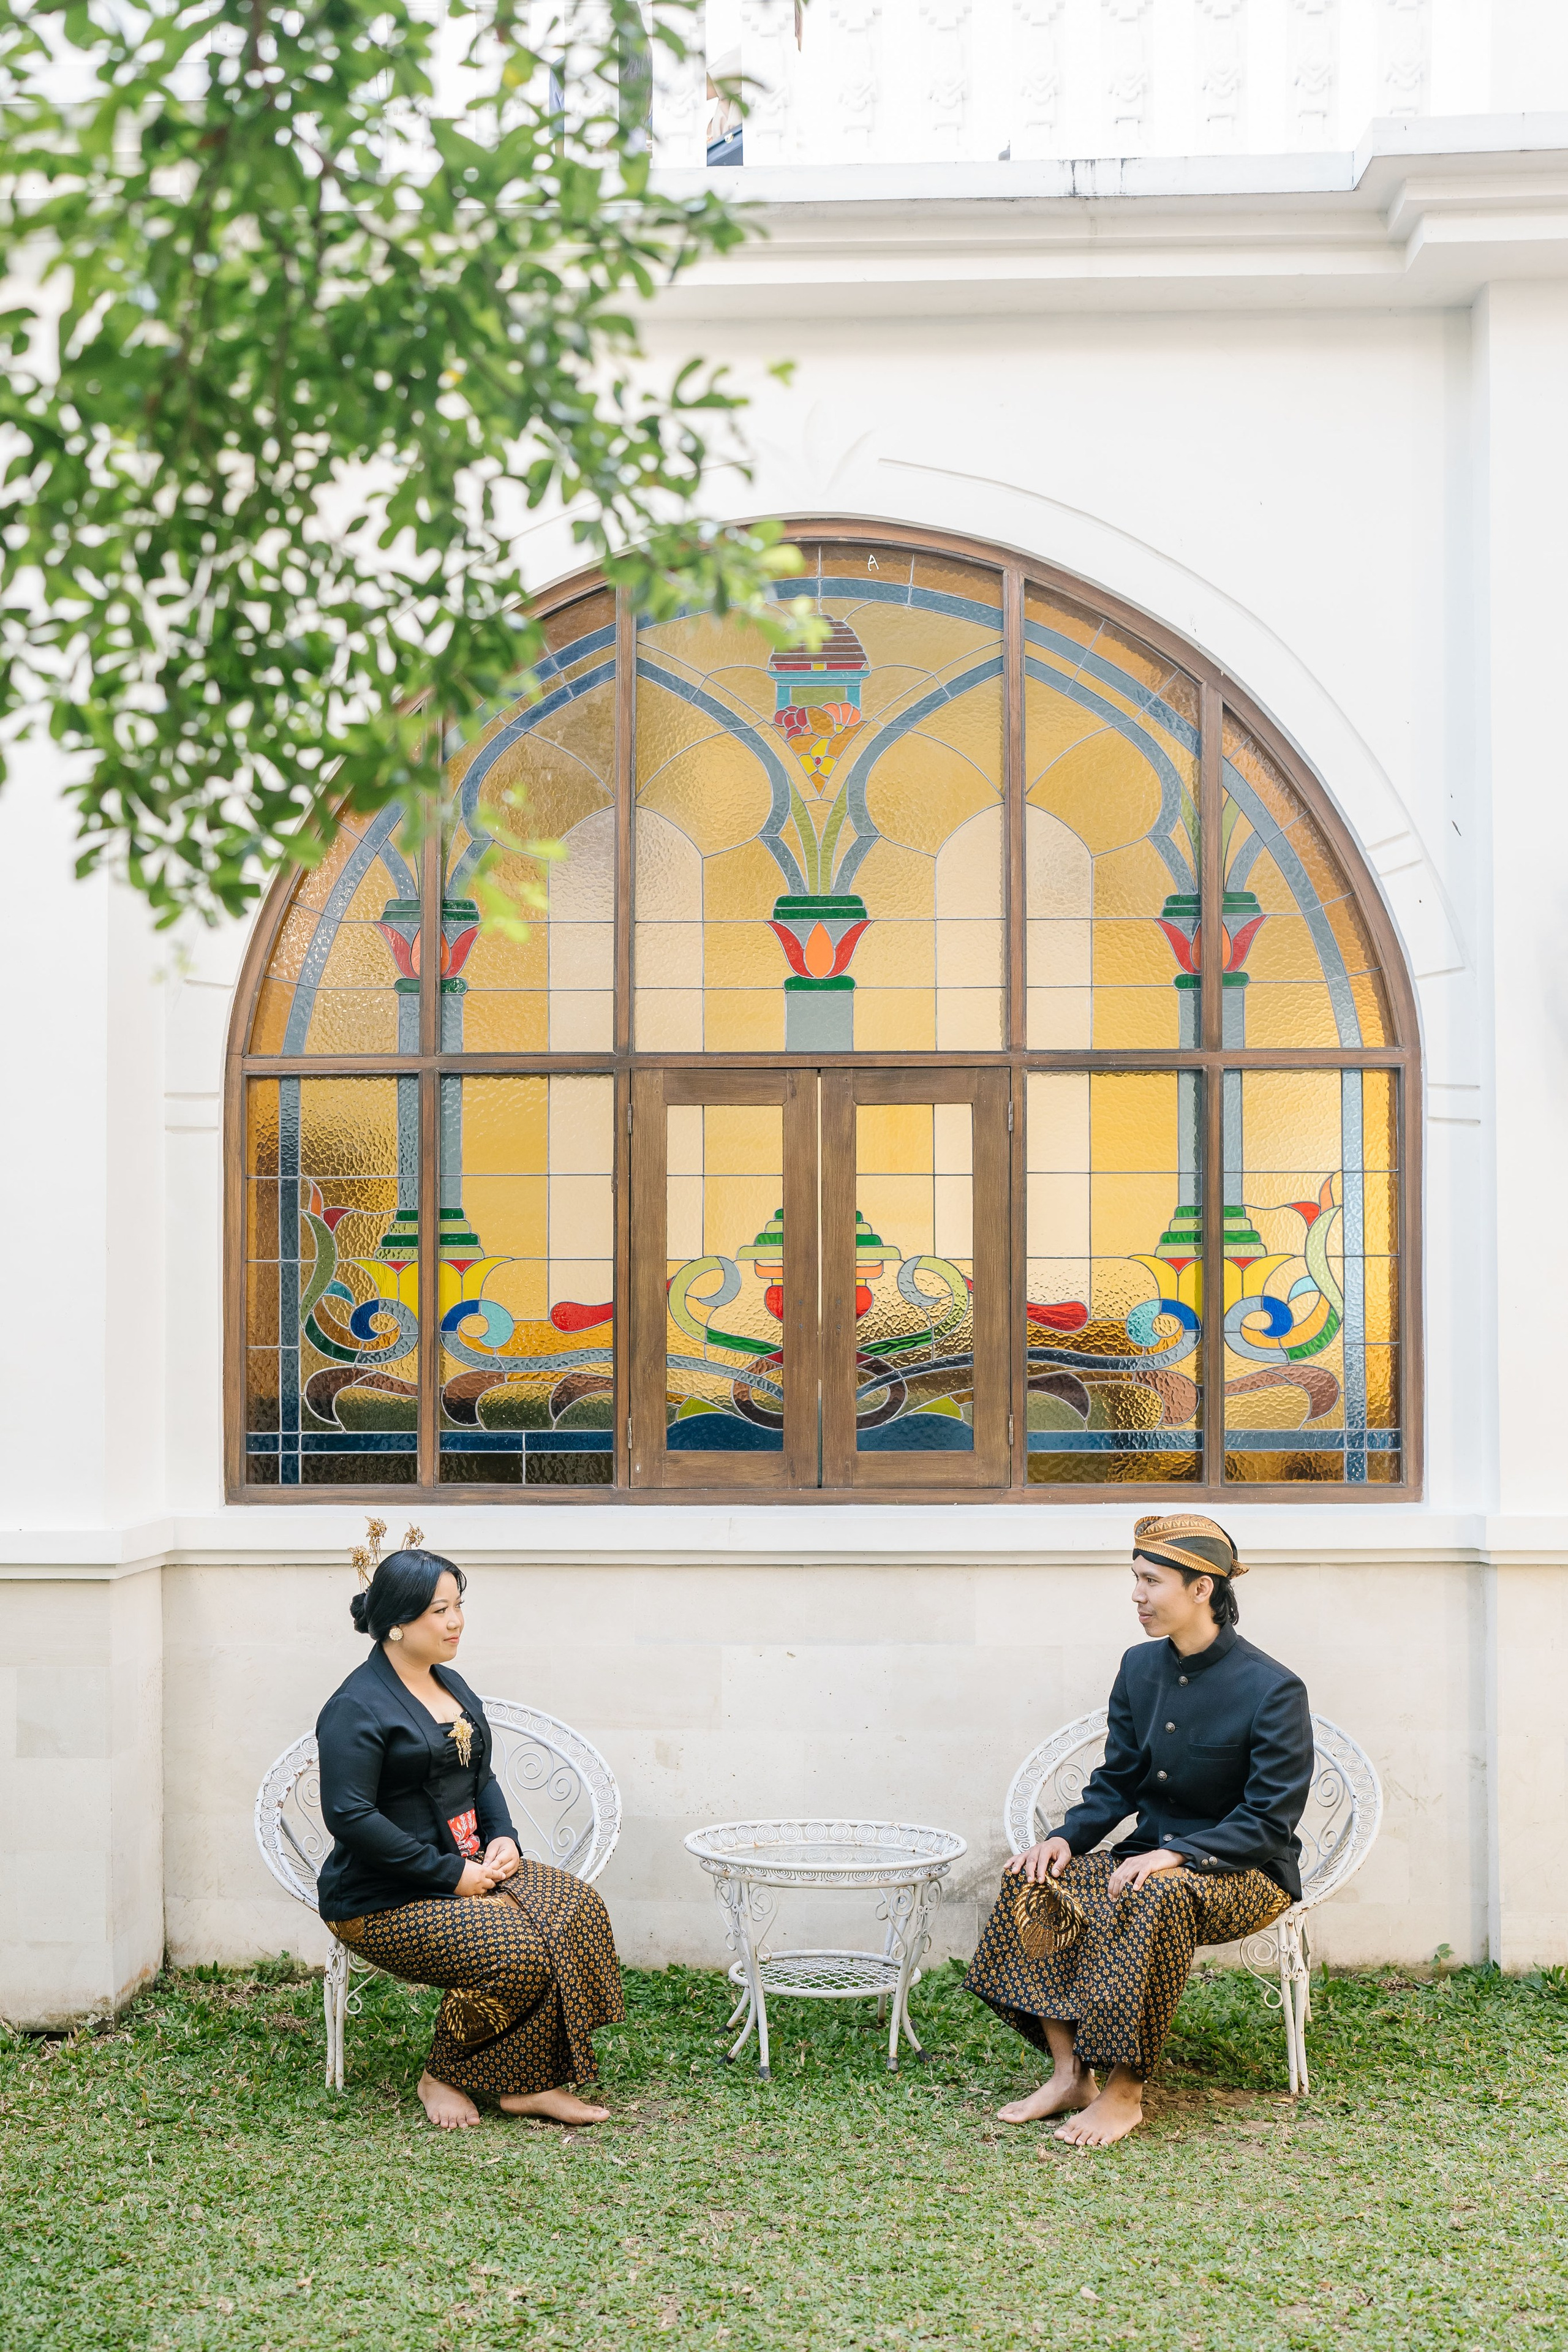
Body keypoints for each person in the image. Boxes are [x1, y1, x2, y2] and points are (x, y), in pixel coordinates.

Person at [965, 1513, 1312, 2149]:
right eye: (1135, 1579)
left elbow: (1269, 1819)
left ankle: (1125, 2093)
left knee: (1154, 1893)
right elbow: (1119, 1780)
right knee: (1033, 1879)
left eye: (1151, 1581)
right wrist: (1065, 1839)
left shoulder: (1272, 1689)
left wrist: (1177, 1856)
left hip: (1246, 1873)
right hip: (1144, 1859)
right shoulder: (1138, 1666)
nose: (1136, 1595)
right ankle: (1070, 2076)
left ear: (1201, 1588)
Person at [315, 1535, 624, 2132]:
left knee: (576, 1910)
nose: (456, 1621)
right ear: (398, 1623)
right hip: (382, 1899)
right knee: (516, 1952)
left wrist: (502, 1836)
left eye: (459, 1605)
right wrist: (451, 1874)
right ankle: (442, 2074)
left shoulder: (449, 1684)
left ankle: (527, 2084)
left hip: (468, 1866)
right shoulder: (357, 1706)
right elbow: (350, 1816)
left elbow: (480, 1774)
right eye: (440, 1610)